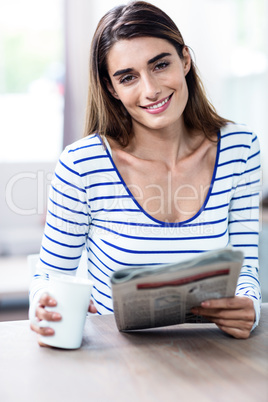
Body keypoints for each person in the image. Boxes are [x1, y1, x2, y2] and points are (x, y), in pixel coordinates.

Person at [29, 0, 261, 341]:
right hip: (120, 363)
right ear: (112, 88)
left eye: (160, 65)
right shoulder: (82, 164)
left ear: (184, 60)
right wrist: (42, 304)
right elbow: (49, 276)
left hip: (211, 355)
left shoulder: (240, 147)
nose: (150, 90)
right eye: (128, 77)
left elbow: (246, 266)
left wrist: (249, 305)